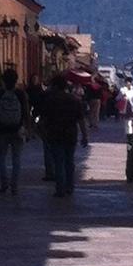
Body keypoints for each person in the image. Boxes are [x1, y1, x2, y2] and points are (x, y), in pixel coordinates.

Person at [37, 71, 85, 201]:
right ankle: (70, 186)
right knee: (69, 161)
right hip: (71, 135)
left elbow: (43, 118)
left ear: (55, 86)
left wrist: (42, 131)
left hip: (55, 134)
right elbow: (81, 120)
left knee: (59, 162)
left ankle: (60, 189)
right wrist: (85, 136)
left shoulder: (50, 100)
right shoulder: (74, 100)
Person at [0, 66, 28, 198]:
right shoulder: (21, 93)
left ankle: (4, 182)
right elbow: (26, 112)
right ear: (16, 80)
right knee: (16, 159)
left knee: (1, 158)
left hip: (2, 130)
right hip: (17, 130)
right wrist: (27, 128)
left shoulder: (0, 93)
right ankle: (14, 186)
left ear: (4, 80)